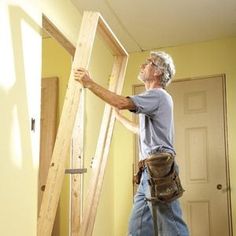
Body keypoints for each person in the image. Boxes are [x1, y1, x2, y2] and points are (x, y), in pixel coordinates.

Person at [74, 51, 189, 236]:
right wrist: (119, 119)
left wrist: (89, 83)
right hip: (148, 172)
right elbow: (140, 130)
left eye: (148, 63)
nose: (143, 65)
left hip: (159, 170)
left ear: (158, 72)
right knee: (138, 228)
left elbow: (121, 102)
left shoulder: (158, 95)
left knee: (171, 226)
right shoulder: (154, 99)